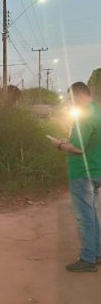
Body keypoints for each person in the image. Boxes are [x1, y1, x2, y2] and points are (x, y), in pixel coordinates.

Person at [49, 82, 101, 272]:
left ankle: (88, 258)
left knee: (84, 217)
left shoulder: (84, 117)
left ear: (79, 96)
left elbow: (78, 148)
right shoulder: (97, 111)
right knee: (93, 214)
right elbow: (86, 142)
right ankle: (96, 252)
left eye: (71, 99)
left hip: (82, 174)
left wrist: (59, 145)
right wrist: (68, 141)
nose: (71, 103)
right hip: (96, 171)